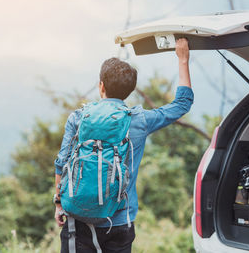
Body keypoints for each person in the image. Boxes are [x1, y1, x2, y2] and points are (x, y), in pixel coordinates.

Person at [52, 38, 193, 253]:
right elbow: (182, 104)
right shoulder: (139, 120)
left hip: (76, 219)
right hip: (119, 220)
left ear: (101, 86)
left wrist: (59, 204)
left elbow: (61, 163)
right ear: (130, 90)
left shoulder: (79, 117)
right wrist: (183, 59)